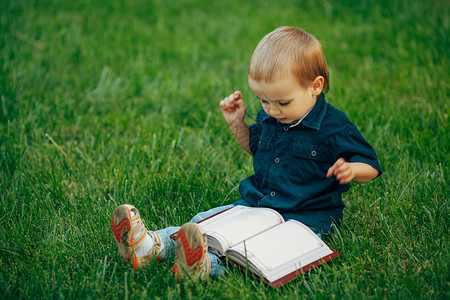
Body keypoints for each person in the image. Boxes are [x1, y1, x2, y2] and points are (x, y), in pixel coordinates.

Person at [111, 26, 382, 283]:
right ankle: (149, 245)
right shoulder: (272, 116)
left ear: (315, 86)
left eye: (282, 102)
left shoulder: (335, 127)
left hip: (308, 218)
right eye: (264, 101)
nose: (272, 111)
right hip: (259, 205)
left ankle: (204, 267)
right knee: (210, 225)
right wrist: (237, 123)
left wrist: (353, 170)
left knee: (255, 252)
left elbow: (370, 165)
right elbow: (254, 147)